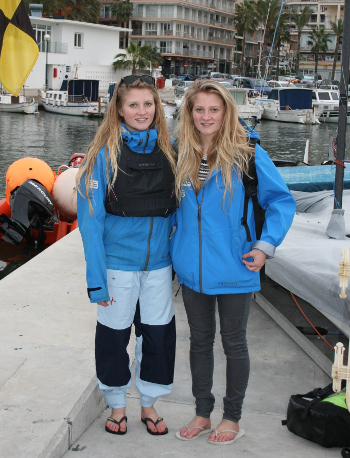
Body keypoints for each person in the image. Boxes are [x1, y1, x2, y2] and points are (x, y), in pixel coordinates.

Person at [170, 79, 296, 445]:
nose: (206, 116)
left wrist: (265, 245)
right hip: (192, 273)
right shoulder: (180, 152)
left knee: (234, 344)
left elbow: (282, 202)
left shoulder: (248, 154)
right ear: (189, 113)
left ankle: (232, 417)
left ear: (226, 112)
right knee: (198, 342)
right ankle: (202, 412)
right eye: (199, 109)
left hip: (237, 267)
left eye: (214, 109)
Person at [76, 75, 177, 436]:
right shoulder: (101, 156)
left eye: (148, 104)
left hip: (159, 267)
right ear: (118, 108)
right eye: (133, 104)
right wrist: (96, 281)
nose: (141, 111)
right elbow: (90, 223)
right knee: (113, 339)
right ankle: (117, 405)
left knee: (158, 338)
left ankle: (149, 403)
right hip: (117, 266)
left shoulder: (170, 151)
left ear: (157, 107)